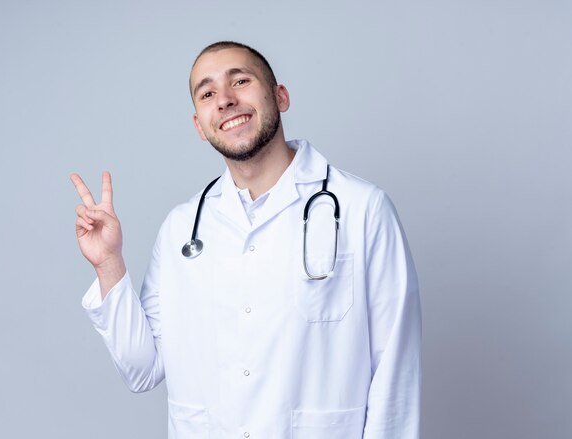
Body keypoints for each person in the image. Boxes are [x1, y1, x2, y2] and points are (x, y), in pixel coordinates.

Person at [71, 41, 421, 439]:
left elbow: (396, 373)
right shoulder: (182, 229)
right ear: (199, 126)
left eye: (240, 80)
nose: (225, 100)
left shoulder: (362, 210)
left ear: (280, 96)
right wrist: (108, 265)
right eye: (207, 94)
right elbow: (142, 370)